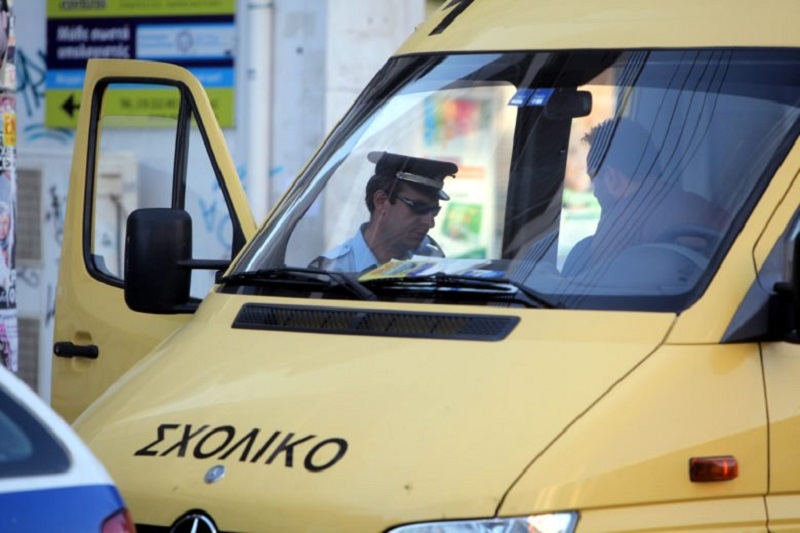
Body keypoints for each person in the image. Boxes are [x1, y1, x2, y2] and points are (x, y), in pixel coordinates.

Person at [559, 117, 730, 278]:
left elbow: (598, 292)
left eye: (594, 179)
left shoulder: (618, 226)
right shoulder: (706, 209)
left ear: (611, 178)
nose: (595, 192)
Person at [311, 151, 457, 273]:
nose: (430, 223)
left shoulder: (432, 261)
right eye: (419, 207)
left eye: (434, 211)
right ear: (381, 201)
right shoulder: (331, 271)